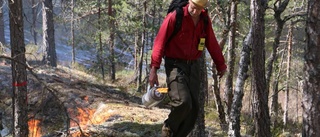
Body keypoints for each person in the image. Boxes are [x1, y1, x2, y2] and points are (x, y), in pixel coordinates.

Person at [149, 0, 227, 136]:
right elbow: (159, 42)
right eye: (193, 7)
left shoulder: (204, 19)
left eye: (199, 9)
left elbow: (212, 42)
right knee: (182, 101)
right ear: (189, 2)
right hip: (175, 65)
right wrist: (154, 68)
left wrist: (221, 65)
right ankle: (168, 127)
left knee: (193, 110)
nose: (195, 11)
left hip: (193, 66)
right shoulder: (175, 16)